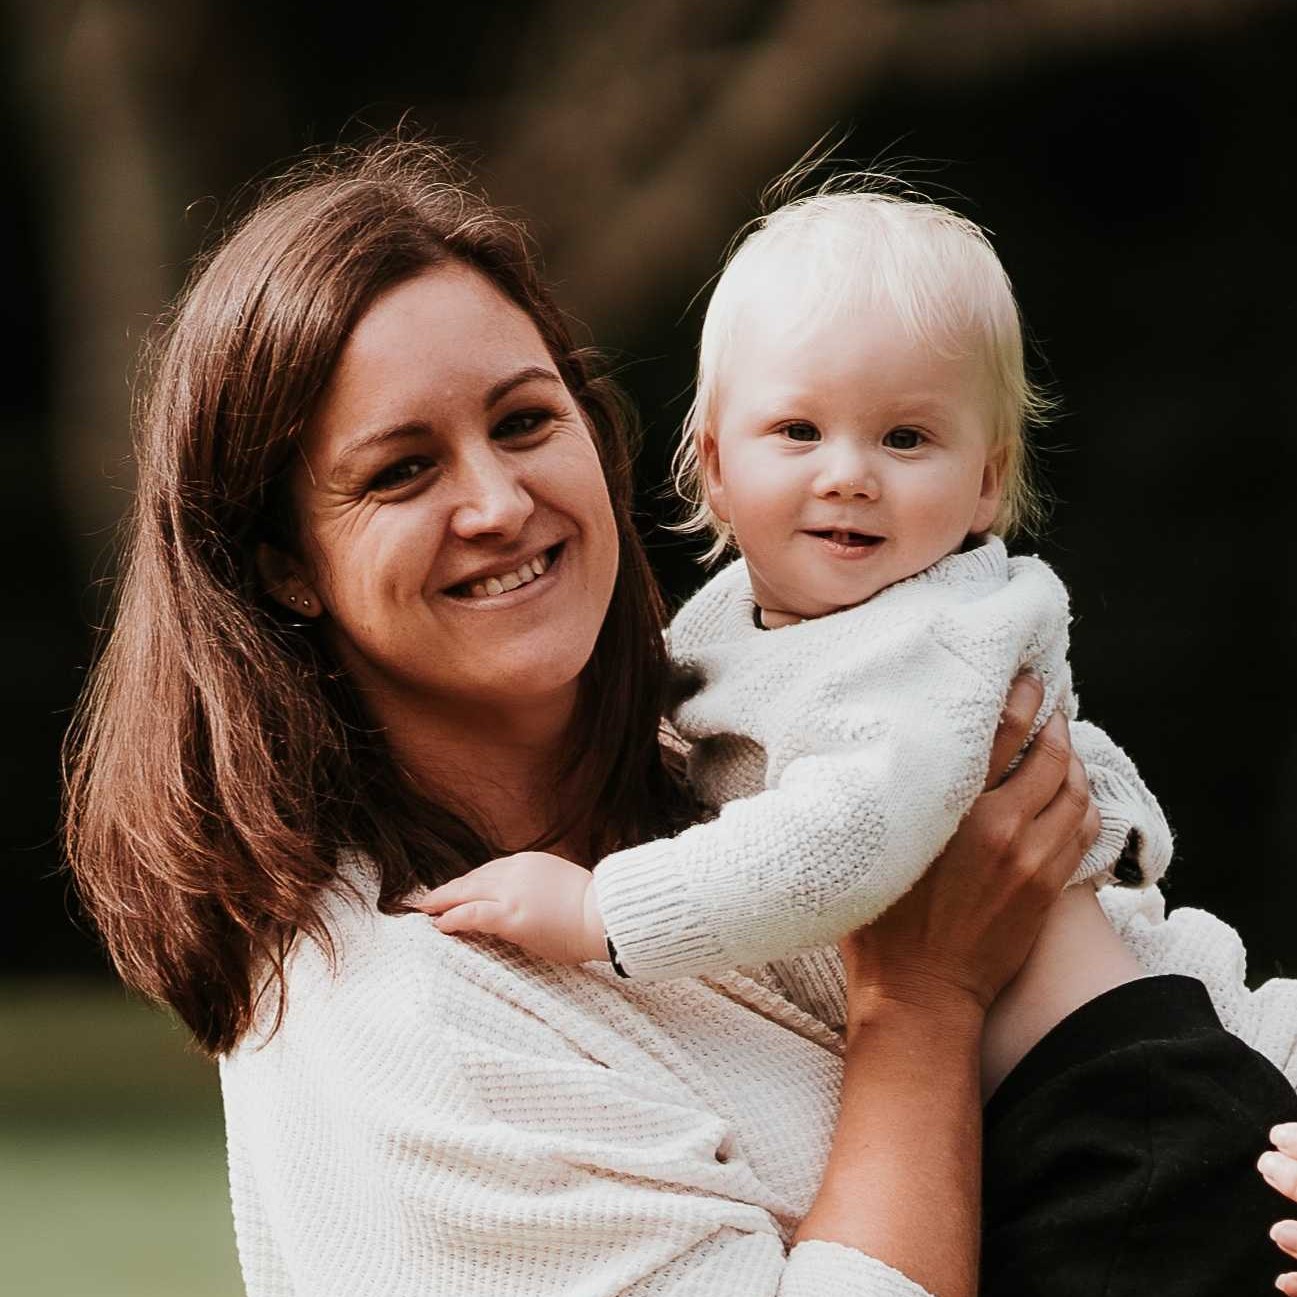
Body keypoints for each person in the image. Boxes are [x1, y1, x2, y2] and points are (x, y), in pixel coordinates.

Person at [63, 138, 1296, 1297]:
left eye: (523, 420)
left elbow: (1132, 961)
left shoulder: (737, 747)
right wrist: (917, 1007)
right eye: (402, 468)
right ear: (282, 560)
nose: (497, 500)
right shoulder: (395, 1030)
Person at [410, 187, 1174, 1025]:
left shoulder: (938, 639)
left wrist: (604, 910)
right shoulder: (725, 626)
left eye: (905, 438)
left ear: (986, 482)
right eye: (799, 431)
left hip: (1098, 1078)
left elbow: (847, 835)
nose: (847, 474)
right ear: (715, 467)